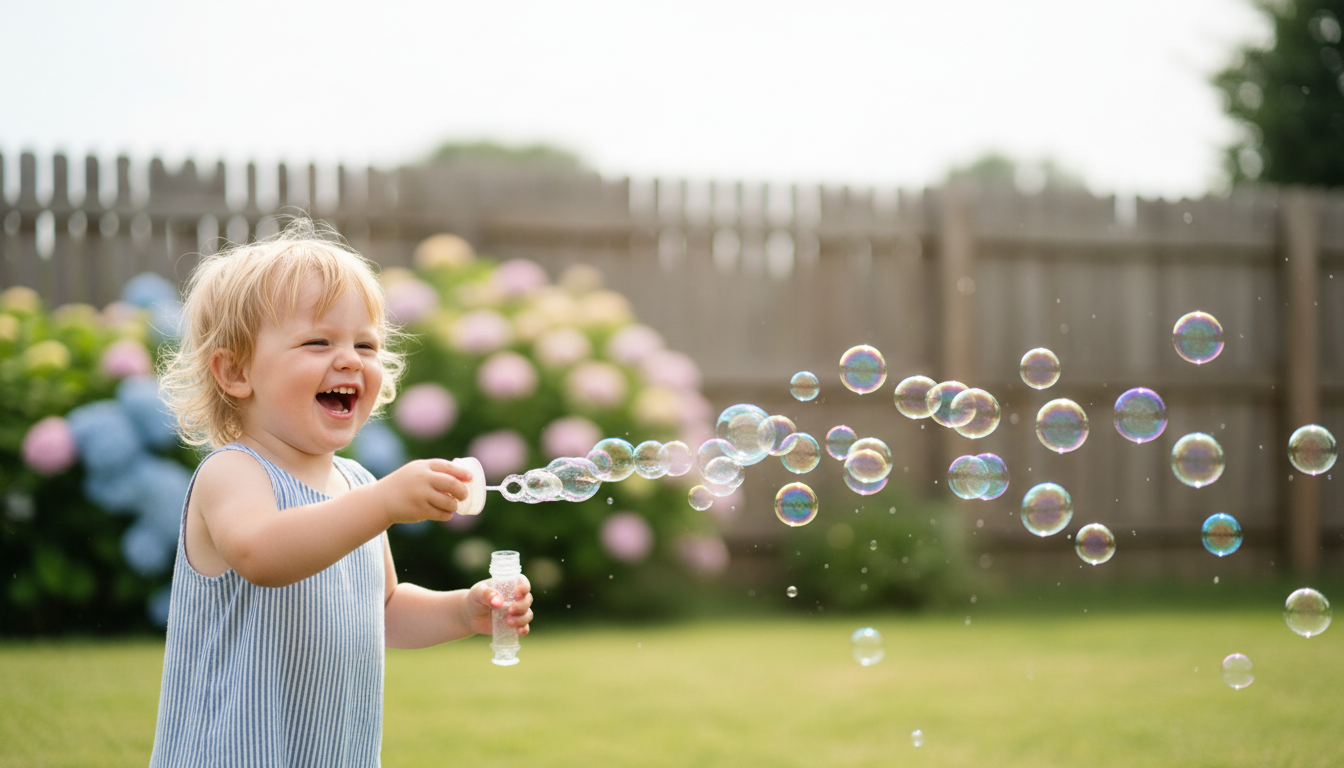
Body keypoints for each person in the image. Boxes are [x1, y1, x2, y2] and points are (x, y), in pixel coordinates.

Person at [149, 219, 532, 766]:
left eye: (366, 344)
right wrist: (381, 506)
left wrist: (462, 612)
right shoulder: (233, 472)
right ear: (235, 371)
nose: (350, 358)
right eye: (317, 341)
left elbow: (385, 608)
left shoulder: (356, 484)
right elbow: (261, 554)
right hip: (235, 751)